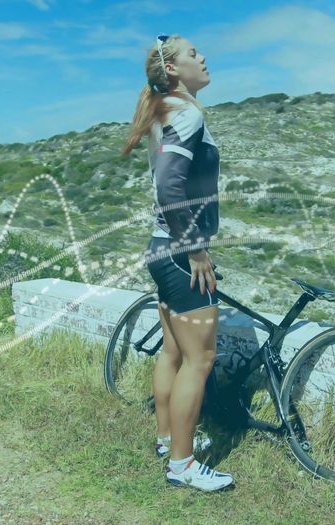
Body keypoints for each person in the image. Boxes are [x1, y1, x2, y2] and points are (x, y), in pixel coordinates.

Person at [120, 34, 233, 492]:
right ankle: (183, 464)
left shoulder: (164, 109)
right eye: (192, 53)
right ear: (172, 69)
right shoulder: (186, 114)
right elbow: (170, 187)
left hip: (160, 248)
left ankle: (168, 440)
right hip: (180, 253)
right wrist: (196, 249)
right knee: (200, 358)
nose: (202, 58)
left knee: (173, 352)